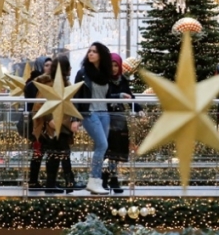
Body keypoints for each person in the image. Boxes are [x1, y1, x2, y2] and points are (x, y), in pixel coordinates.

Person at [35, 56, 82, 194]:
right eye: (68, 67)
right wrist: (49, 119)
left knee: (60, 153)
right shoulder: (50, 84)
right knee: (59, 153)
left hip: (62, 124)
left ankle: (60, 183)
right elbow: (40, 104)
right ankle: (65, 183)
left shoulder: (64, 84)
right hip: (53, 125)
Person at [73, 42, 113, 195]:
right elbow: (75, 97)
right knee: (102, 145)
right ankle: (94, 180)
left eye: (94, 52)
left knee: (101, 147)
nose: (90, 54)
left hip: (105, 114)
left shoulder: (105, 75)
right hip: (89, 114)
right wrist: (74, 119)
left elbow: (105, 96)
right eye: (89, 51)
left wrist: (120, 96)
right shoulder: (82, 73)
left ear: (101, 55)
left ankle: (95, 182)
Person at [105, 52, 140, 194]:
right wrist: (118, 96)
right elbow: (104, 96)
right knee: (109, 151)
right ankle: (107, 178)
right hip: (106, 117)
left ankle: (109, 178)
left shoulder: (122, 79)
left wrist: (138, 109)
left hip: (119, 119)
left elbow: (129, 96)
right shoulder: (104, 79)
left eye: (116, 65)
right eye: (111, 65)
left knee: (117, 152)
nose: (113, 68)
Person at [24, 56, 53, 189]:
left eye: (51, 65)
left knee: (50, 152)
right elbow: (31, 106)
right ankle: (33, 181)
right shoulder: (33, 84)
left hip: (50, 122)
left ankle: (49, 181)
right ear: (40, 66)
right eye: (46, 65)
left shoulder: (53, 82)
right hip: (37, 122)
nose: (49, 67)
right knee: (38, 151)